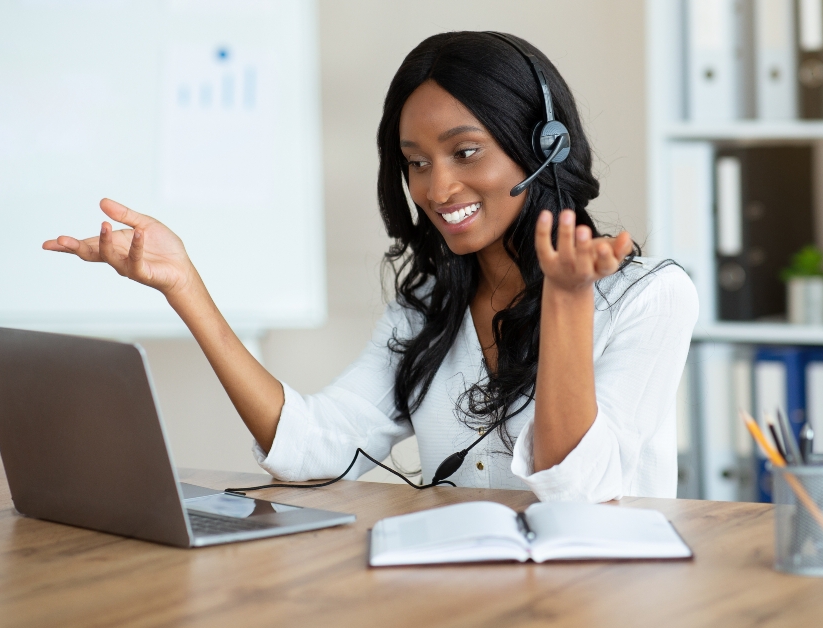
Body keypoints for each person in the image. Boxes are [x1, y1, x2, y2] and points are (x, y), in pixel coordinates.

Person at [42, 32, 697, 502]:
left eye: (465, 151)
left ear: (544, 148)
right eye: (416, 162)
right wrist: (185, 286)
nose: (437, 188)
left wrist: (566, 302)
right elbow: (315, 450)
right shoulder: (431, 304)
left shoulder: (650, 298)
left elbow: (578, 492)